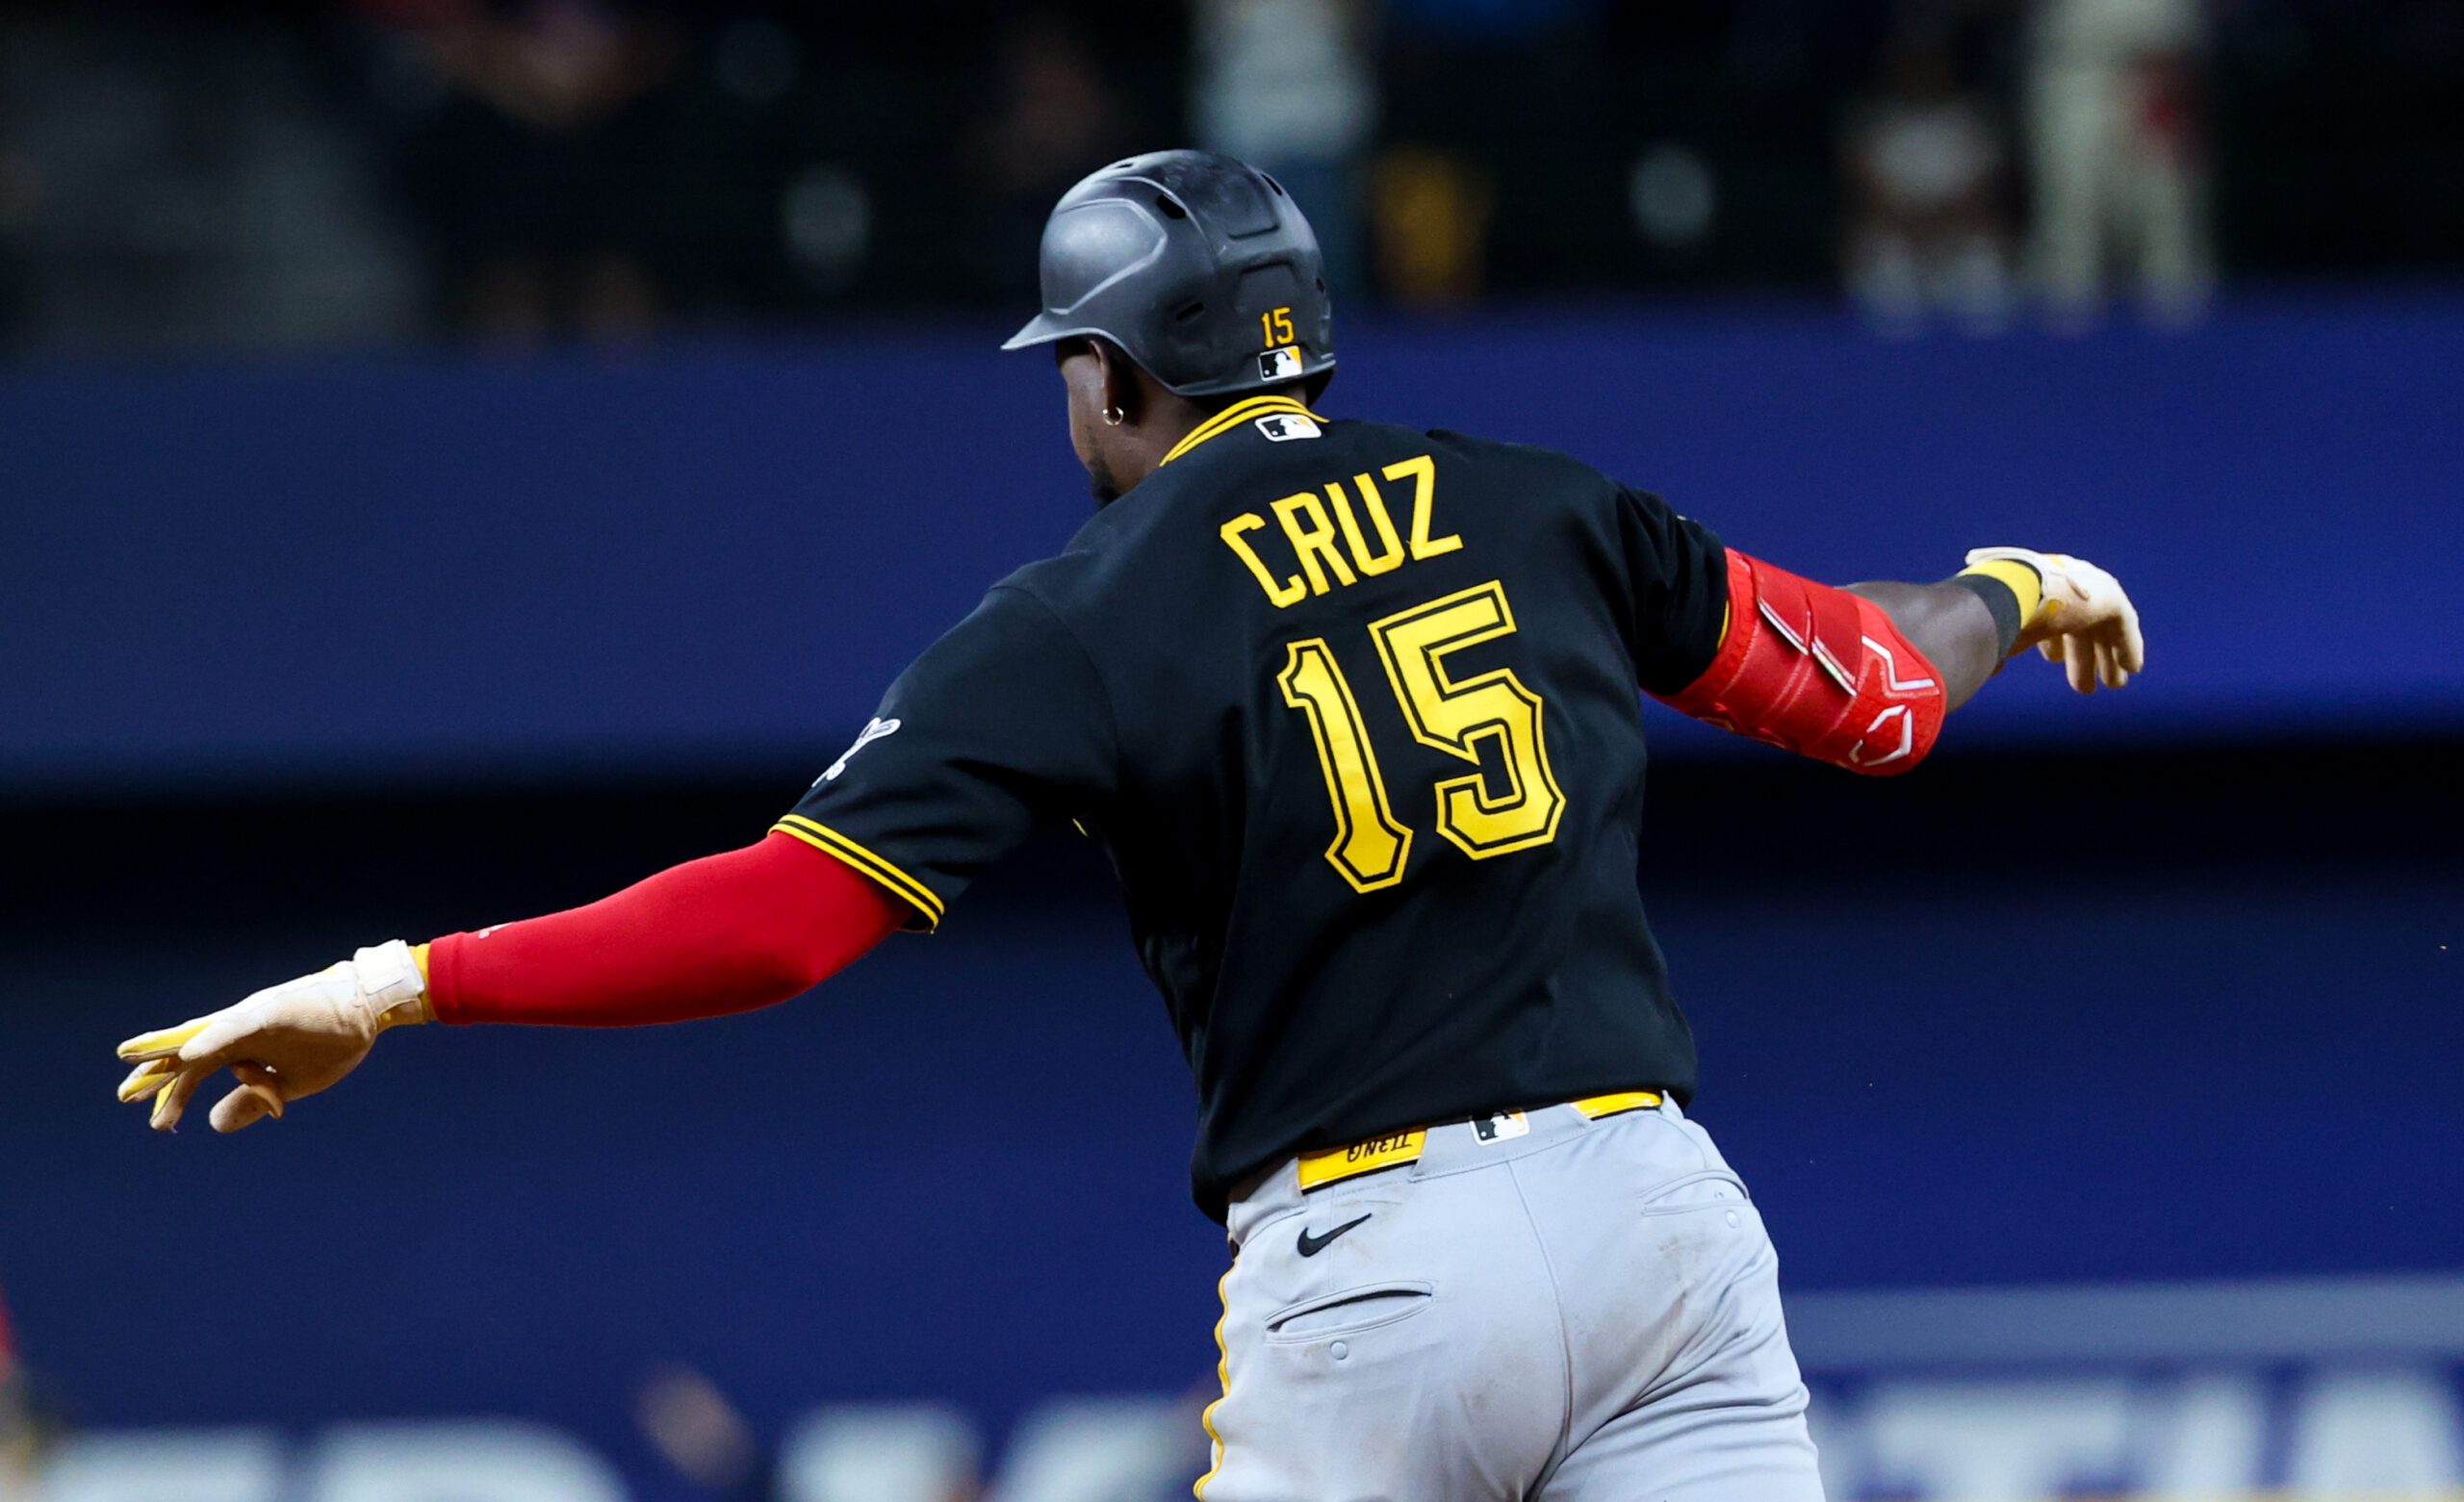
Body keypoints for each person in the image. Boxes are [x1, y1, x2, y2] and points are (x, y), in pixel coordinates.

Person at [117, 150, 2143, 1501]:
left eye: (1064, 367)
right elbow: (1867, 694)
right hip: (1659, 1223)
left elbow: (775, 922)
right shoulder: (1535, 500)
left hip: (1376, 1266)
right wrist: (2009, 585)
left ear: (1107, 372)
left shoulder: (1081, 614)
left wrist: (398, 982)